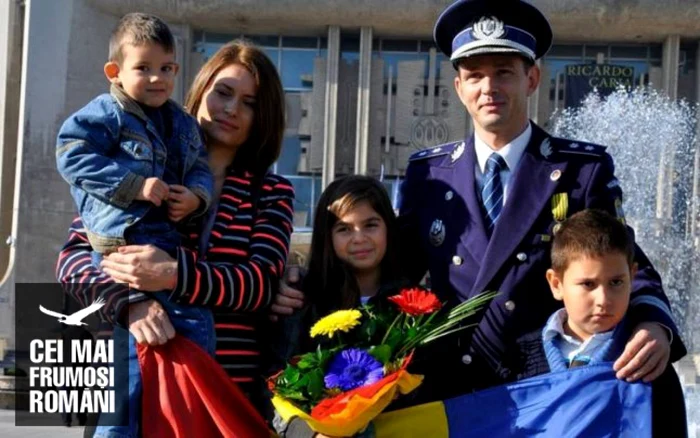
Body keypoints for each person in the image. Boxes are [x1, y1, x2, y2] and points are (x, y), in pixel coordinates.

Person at [276, 0, 686, 416]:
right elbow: (391, 265)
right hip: (452, 386)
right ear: (459, 88)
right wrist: (299, 280)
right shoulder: (429, 173)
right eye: (474, 76)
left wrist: (654, 323)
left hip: (543, 386)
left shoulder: (580, 169)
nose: (488, 88)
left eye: (503, 73)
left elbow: (623, 260)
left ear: (532, 78)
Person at [55, 38, 295, 436]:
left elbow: (258, 283)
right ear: (201, 91)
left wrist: (172, 274)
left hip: (224, 395)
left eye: (250, 103)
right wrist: (128, 304)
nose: (232, 109)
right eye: (223, 92)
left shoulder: (270, 193)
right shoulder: (140, 169)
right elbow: (74, 258)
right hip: (136, 391)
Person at [55, 13, 216, 437]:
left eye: (165, 68)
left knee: (197, 336)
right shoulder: (105, 113)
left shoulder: (182, 122)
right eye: (143, 68)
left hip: (170, 249)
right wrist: (132, 185)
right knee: (124, 376)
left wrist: (196, 197)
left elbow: (199, 168)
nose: (156, 78)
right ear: (115, 72)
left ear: (176, 71)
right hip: (120, 246)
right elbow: (70, 154)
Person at [514, 209, 686, 435]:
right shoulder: (518, 361)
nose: (603, 300)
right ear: (556, 283)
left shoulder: (648, 365)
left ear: (632, 277)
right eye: (588, 284)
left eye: (616, 282)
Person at [271, 175, 408, 437]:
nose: (359, 238)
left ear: (388, 228)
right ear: (327, 236)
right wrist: (308, 434)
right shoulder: (301, 298)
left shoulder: (413, 306)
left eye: (370, 225)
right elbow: (275, 384)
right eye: (344, 229)